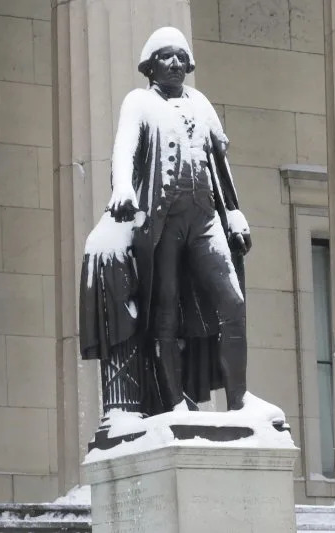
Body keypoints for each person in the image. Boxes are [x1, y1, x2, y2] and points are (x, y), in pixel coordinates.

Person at [79, 26, 252, 419]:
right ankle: (173, 404)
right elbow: (124, 148)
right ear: (150, 66)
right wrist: (122, 187)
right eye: (165, 56)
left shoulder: (202, 103)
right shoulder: (139, 102)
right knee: (166, 314)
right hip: (163, 223)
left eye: (180, 56)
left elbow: (218, 164)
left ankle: (240, 401)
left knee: (232, 301)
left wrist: (234, 212)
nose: (174, 63)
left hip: (205, 219)